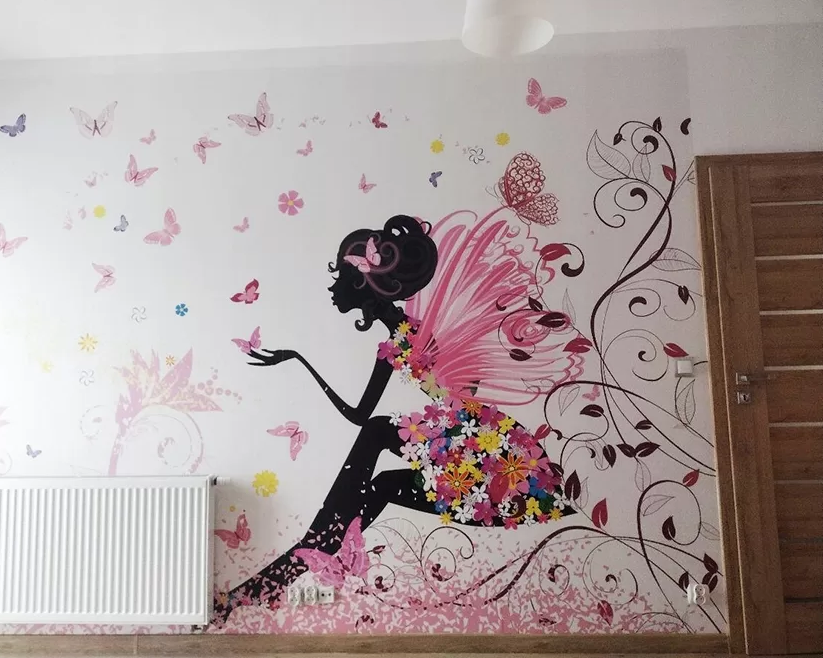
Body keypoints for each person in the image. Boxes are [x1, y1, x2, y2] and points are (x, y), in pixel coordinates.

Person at [218, 209, 583, 620]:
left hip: (487, 459)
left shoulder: (414, 334)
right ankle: (288, 569)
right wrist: (300, 361)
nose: (333, 287)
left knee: (378, 444)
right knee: (380, 476)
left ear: (362, 283)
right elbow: (359, 414)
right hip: (462, 445)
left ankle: (298, 559)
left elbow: (457, 393)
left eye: (340, 276)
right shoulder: (396, 342)